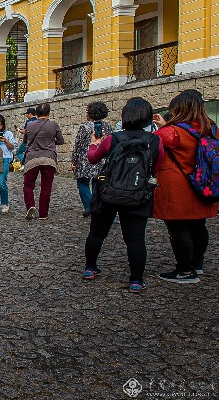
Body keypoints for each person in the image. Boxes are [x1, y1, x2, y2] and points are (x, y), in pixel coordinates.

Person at [83, 97, 162, 293]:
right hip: (138, 193)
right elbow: (156, 168)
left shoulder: (113, 138)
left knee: (96, 233)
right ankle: (136, 280)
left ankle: (90, 269)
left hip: (108, 190)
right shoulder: (155, 141)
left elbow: (93, 159)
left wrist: (94, 144)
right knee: (135, 239)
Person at [153, 89, 219, 284]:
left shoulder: (172, 132)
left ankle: (184, 270)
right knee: (199, 226)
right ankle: (197, 263)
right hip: (204, 185)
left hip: (178, 187)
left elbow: (153, 144)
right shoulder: (211, 129)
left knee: (178, 227)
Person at [22, 103, 64, 220]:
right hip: (49, 158)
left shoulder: (29, 125)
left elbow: (26, 141)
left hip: (32, 158)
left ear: (36, 113)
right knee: (46, 186)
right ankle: (43, 214)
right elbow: (61, 141)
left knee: (28, 184)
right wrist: (50, 142)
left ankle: (30, 205)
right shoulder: (53, 124)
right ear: (49, 113)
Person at [70, 102, 111, 217]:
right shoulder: (107, 126)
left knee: (82, 183)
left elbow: (78, 145)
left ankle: (89, 206)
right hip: (101, 159)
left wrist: (74, 160)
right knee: (97, 184)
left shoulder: (85, 127)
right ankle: (96, 205)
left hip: (85, 160)